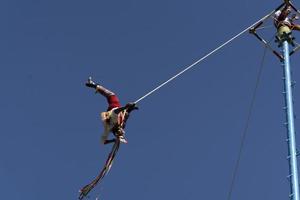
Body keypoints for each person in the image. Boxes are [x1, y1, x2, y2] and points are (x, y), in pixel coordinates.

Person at [85, 77, 138, 144]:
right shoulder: (110, 129)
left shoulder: (113, 123)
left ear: (117, 131)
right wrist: (112, 140)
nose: (122, 131)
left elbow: (116, 111)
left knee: (111, 95)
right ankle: (94, 85)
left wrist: (126, 107)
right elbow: (103, 142)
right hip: (115, 113)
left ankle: (94, 85)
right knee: (125, 117)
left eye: (120, 132)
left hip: (113, 108)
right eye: (122, 133)